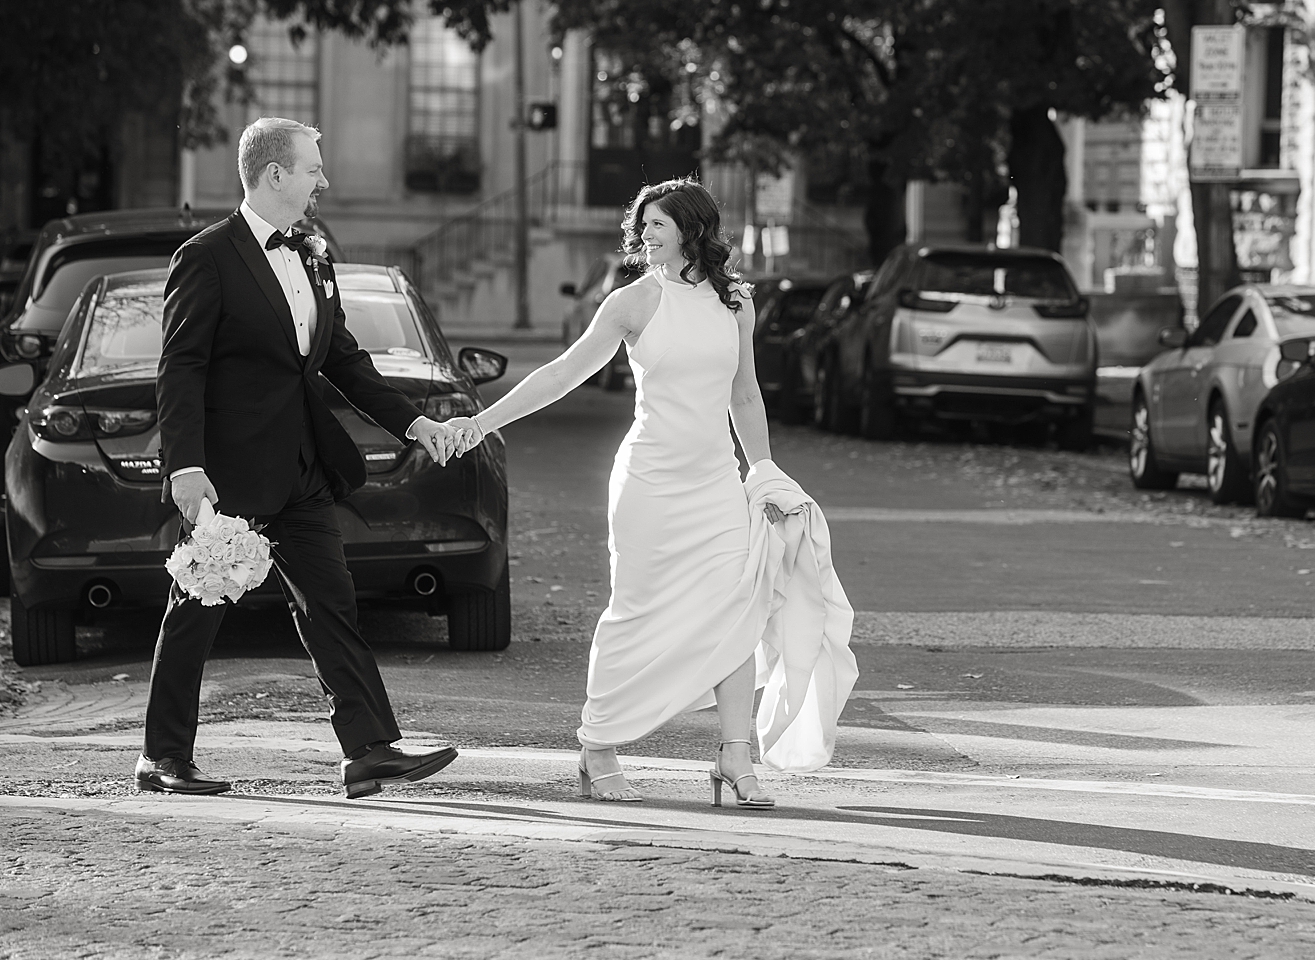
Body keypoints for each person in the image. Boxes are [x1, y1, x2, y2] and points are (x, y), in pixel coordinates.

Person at [448, 178, 857, 806]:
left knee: (737, 613)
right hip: (649, 483)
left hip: (718, 485)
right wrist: (480, 424)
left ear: (692, 229)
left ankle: (734, 759)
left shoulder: (736, 303)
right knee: (632, 615)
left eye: (658, 224)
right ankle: (598, 747)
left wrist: (765, 473)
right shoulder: (631, 303)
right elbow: (562, 375)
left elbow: (745, 394)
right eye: (642, 225)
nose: (645, 235)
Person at [138, 116, 463, 799]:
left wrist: (414, 424)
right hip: (227, 475)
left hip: (303, 470)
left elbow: (342, 359)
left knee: (331, 606)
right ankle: (163, 756)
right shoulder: (206, 256)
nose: (325, 180)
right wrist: (186, 467)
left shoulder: (313, 253)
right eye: (315, 168)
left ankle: (369, 750)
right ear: (275, 174)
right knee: (195, 607)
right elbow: (182, 368)